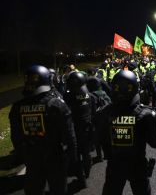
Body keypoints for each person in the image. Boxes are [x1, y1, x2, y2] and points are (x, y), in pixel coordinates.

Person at [9, 65, 77, 195]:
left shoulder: (17, 107)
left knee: (34, 189)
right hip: (55, 157)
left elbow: (16, 137)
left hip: (32, 157)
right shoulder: (57, 104)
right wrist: (72, 158)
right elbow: (69, 134)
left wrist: (24, 155)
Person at [96, 70, 156, 195]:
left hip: (114, 165)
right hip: (137, 165)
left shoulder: (104, 112)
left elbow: (97, 140)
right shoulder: (145, 114)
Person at [64, 71, 95, 188]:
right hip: (87, 126)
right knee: (86, 151)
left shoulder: (69, 95)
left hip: (74, 127)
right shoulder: (87, 93)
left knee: (76, 153)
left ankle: (81, 177)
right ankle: (86, 171)